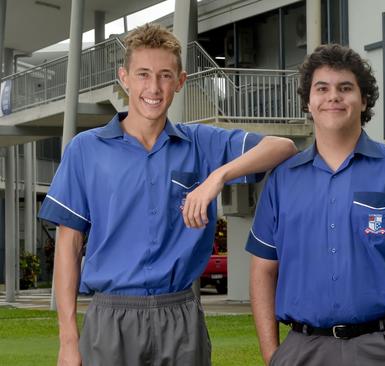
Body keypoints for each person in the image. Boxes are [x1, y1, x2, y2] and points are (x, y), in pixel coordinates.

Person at [38, 23, 296, 366]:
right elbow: (68, 247)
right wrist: (68, 340)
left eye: (164, 75)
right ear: (124, 77)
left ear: (180, 81)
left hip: (181, 316)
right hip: (110, 317)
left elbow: (284, 146)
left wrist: (218, 176)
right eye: (143, 74)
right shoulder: (86, 150)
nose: (154, 87)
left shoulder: (202, 143)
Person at [246, 44, 385, 366]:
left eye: (345, 88)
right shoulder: (282, 181)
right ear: (308, 101)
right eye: (322, 88)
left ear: (364, 100)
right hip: (303, 351)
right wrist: (274, 356)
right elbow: (263, 270)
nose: (334, 97)